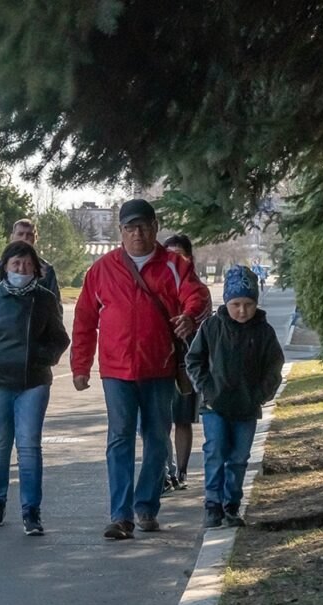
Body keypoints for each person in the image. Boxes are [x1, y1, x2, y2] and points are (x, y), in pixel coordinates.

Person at [70, 198, 210, 540]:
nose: (137, 233)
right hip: (116, 370)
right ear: (120, 231)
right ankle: (120, 516)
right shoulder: (102, 270)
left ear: (155, 227)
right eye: (130, 227)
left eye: (143, 226)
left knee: (157, 438)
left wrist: (189, 316)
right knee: (119, 438)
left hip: (158, 367)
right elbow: (85, 320)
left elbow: (199, 295)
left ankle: (146, 505)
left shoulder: (174, 265)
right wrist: (81, 364)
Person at [0, 240, 70, 534]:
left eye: (26, 264)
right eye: (15, 263)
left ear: (35, 268)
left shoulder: (45, 299)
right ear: (5, 267)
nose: (21, 269)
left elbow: (60, 338)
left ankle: (31, 511)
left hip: (32, 382)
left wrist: (41, 356)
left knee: (29, 446)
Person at [185, 265, 284, 529]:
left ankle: (232, 505)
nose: (242, 311)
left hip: (247, 408)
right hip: (214, 406)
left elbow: (273, 369)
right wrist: (206, 390)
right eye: (236, 304)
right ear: (227, 302)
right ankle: (212, 505)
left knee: (239, 458)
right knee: (215, 452)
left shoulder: (264, 332)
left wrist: (259, 396)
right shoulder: (211, 328)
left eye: (248, 304)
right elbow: (194, 361)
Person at [161, 234, 209, 491]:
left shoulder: (199, 290)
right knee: (159, 421)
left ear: (189, 258)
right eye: (169, 255)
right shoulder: (156, 286)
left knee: (182, 419)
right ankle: (165, 471)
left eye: (180, 255)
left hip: (187, 363)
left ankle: (180, 471)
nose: (174, 261)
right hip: (158, 361)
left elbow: (204, 327)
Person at [0, 219, 62, 302]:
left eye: (29, 234)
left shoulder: (46, 270)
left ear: (36, 238)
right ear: (12, 237)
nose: (24, 238)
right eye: (20, 234)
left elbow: (55, 305)